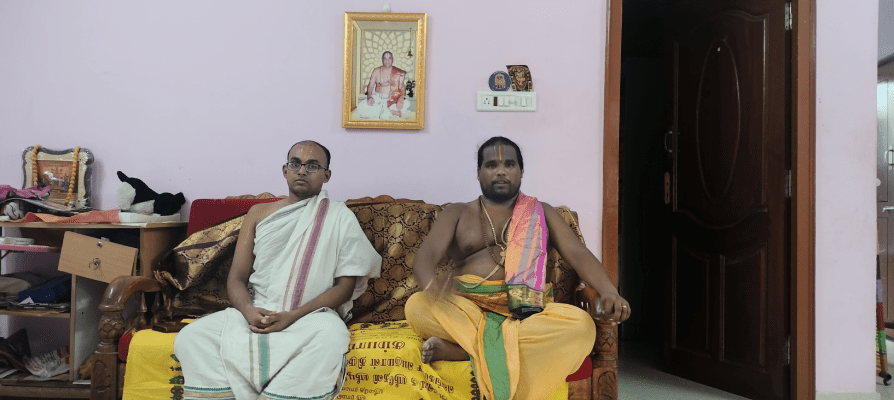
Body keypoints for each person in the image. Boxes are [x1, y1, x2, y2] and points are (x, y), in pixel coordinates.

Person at [405, 136, 631, 400]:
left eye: (509, 164)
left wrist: (609, 290)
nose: (501, 171)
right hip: (469, 308)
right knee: (416, 306)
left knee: (581, 327)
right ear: (478, 172)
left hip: (529, 313)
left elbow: (578, 254)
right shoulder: (457, 213)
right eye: (491, 165)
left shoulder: (542, 212)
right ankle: (491, 348)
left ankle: (465, 350)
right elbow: (426, 255)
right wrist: (432, 287)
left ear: (521, 171)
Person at [174, 141, 382, 400]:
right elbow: (236, 279)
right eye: (295, 164)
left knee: (331, 336)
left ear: (326, 175)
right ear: (285, 170)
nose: (302, 170)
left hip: (311, 316)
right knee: (192, 337)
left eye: (312, 166)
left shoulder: (340, 216)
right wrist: (249, 312)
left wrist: (293, 316)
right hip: (258, 311)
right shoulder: (258, 214)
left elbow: (344, 288)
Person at [355, 51, 407, 119]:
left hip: (392, 99)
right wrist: (369, 97)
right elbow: (371, 86)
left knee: (406, 104)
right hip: (378, 98)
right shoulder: (376, 71)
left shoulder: (398, 72)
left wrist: (401, 98)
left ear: (392, 59)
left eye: (389, 58)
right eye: (385, 58)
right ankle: (390, 112)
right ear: (382, 60)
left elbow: (402, 88)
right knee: (361, 107)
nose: (387, 61)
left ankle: (383, 111)